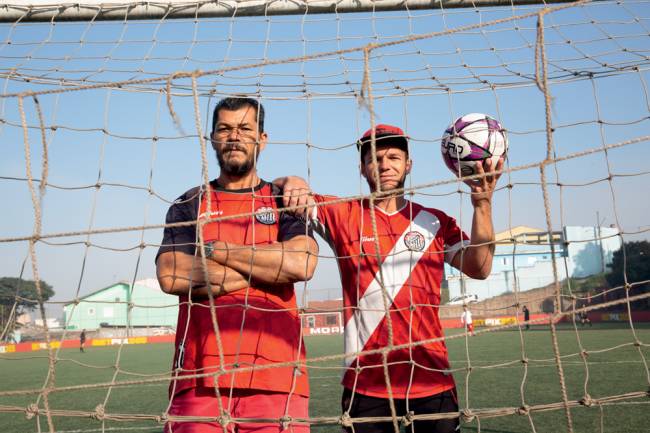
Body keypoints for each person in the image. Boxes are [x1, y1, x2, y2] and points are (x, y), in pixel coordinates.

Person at [276, 124, 502, 433]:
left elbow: (481, 267)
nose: (385, 165)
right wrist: (293, 181)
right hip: (366, 387)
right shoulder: (343, 214)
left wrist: (483, 203)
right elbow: (278, 190)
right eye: (375, 158)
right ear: (362, 168)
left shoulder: (435, 221)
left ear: (408, 164)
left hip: (431, 382)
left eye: (394, 157)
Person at [156, 97, 318, 433]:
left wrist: (214, 250)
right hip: (198, 381)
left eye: (245, 129)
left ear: (262, 138)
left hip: (277, 378)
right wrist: (267, 267)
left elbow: (301, 264)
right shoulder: (188, 204)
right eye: (225, 129)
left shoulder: (283, 199)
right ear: (212, 138)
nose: (234, 137)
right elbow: (171, 275)